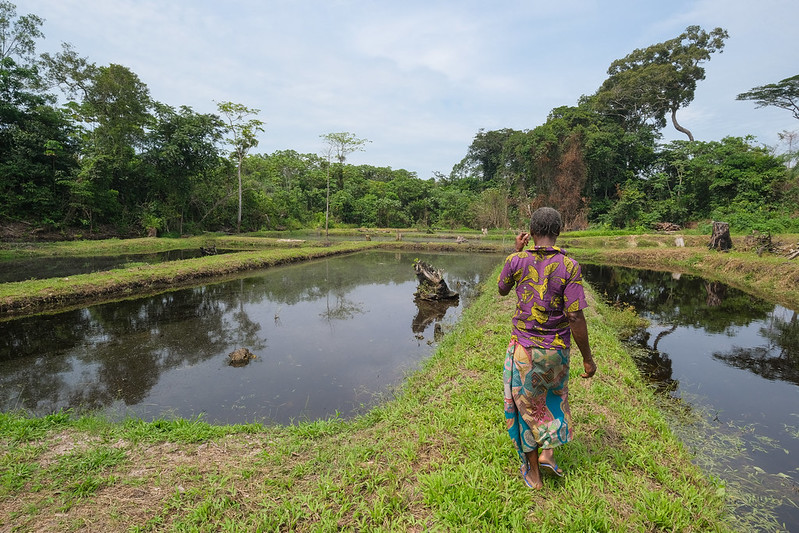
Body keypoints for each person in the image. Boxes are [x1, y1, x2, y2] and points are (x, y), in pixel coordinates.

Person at [497, 207, 597, 490]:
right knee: (552, 400)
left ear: (531, 230)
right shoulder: (570, 266)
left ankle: (533, 473)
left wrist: (516, 251)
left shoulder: (516, 260)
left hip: (523, 351)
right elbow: (575, 316)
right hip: (556, 352)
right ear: (558, 231)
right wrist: (587, 359)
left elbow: (502, 289)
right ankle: (548, 454)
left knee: (523, 407)